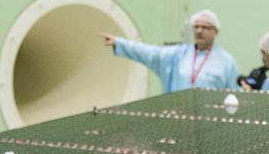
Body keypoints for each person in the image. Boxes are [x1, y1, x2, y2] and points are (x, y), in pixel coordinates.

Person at [100, 9, 238, 92]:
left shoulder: (226, 61)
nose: (199, 31)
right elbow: (150, 53)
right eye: (196, 27)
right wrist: (120, 43)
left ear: (215, 32)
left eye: (205, 27)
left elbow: (233, 95)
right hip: (179, 119)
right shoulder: (177, 55)